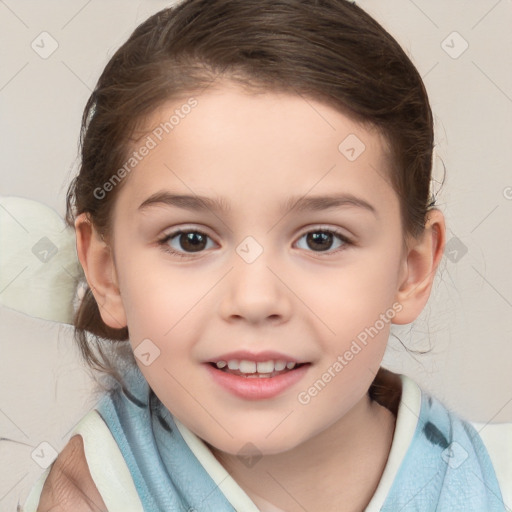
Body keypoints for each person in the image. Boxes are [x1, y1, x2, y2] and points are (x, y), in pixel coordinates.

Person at [21, 0, 511, 510]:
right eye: (190, 240)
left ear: (412, 271)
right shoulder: (83, 495)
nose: (255, 300)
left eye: (321, 239)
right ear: (107, 273)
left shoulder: (493, 479)